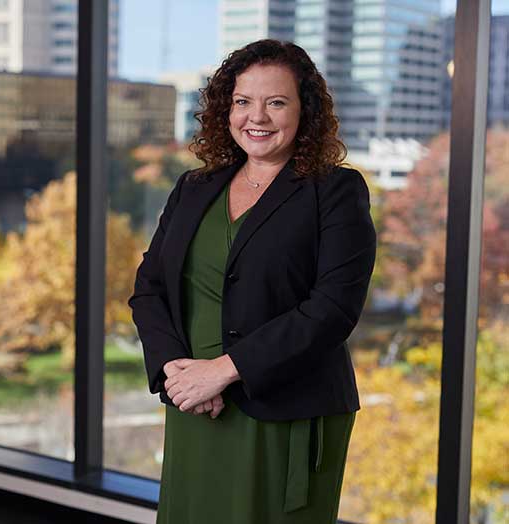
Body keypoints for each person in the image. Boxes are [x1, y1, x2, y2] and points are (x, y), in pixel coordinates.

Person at [127, 39, 377, 523]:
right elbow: (150, 286)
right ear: (226, 109)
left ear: (306, 111)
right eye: (243, 102)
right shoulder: (195, 187)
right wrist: (177, 372)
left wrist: (223, 370)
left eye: (276, 102)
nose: (256, 117)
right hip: (196, 402)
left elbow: (332, 310)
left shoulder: (337, 191)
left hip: (285, 410)